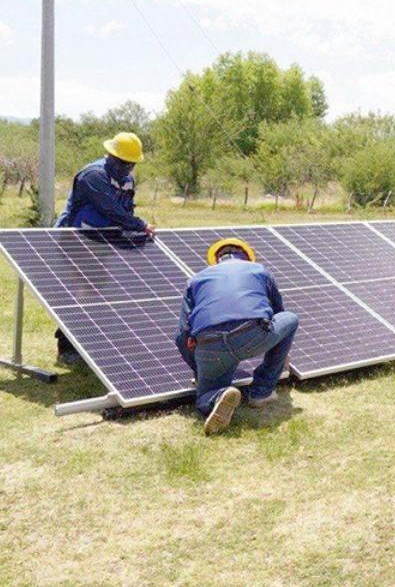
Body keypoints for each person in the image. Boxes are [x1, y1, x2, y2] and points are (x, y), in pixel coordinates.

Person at [176, 238, 299, 435]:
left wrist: (199, 370)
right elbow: (278, 312)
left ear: (215, 260)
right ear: (248, 257)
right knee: (290, 319)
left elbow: (182, 335)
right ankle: (261, 393)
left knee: (205, 396)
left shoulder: (196, 280)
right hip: (251, 334)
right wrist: (279, 353)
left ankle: (218, 395)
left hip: (210, 345)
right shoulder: (259, 270)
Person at [53, 132, 156, 366]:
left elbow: (126, 211)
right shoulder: (94, 175)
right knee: (78, 294)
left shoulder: (128, 181)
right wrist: (141, 225)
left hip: (104, 241)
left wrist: (133, 233)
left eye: (130, 163)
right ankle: (66, 347)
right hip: (77, 240)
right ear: (110, 155)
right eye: (122, 161)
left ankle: (90, 342)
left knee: (98, 293)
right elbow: (111, 209)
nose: (126, 167)